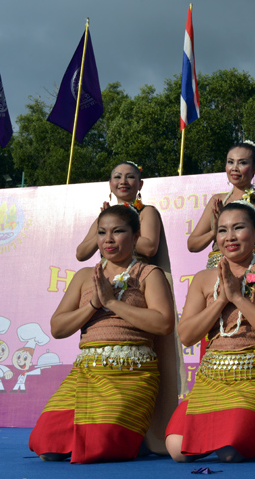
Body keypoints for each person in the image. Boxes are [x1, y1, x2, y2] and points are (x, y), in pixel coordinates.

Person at [29, 205, 175, 463]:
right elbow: (58, 328)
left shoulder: (148, 274)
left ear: (136, 236)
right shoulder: (86, 276)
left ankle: (132, 434)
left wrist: (114, 302)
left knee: (100, 448)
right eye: (102, 232)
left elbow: (164, 324)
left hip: (132, 373)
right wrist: (94, 304)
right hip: (86, 372)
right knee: (46, 446)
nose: (108, 239)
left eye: (118, 231)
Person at [166, 202, 255, 463]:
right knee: (178, 450)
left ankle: (249, 432)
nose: (230, 237)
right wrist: (222, 300)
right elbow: (187, 335)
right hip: (213, 377)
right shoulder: (203, 278)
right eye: (222, 230)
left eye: (238, 228)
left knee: (230, 452)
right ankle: (240, 433)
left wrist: (238, 297)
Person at [75, 160, 184, 454]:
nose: (123, 181)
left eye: (130, 177)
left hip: (141, 284)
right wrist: (106, 231)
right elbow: (81, 252)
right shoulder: (105, 218)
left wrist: (122, 235)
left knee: (156, 353)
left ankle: (153, 434)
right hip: (108, 283)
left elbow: (148, 248)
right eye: (117, 177)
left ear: (140, 183)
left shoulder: (147, 212)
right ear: (110, 184)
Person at [188, 141, 255, 268]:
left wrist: (244, 234)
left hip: (251, 269)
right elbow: (192, 244)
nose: (234, 168)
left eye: (242, 163)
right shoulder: (217, 201)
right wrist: (215, 232)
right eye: (230, 162)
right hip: (218, 268)